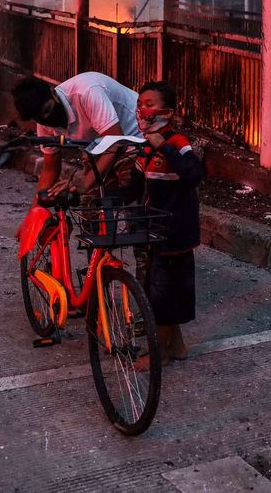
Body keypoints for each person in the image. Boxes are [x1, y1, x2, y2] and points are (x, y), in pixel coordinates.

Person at [133, 81, 204, 366]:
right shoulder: (144, 147)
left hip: (175, 231)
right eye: (140, 104)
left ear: (168, 112)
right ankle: (176, 345)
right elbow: (135, 185)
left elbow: (194, 174)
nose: (142, 110)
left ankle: (159, 353)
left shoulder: (177, 143)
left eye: (149, 104)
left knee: (162, 293)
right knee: (161, 289)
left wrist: (164, 148)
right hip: (153, 229)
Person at [13, 72, 142, 201]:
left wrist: (86, 181)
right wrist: (40, 205)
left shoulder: (87, 92)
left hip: (135, 140)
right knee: (88, 204)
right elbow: (51, 167)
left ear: (53, 93)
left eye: (47, 110)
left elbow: (116, 141)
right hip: (101, 149)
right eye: (39, 118)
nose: (47, 118)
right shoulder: (43, 122)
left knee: (130, 191)